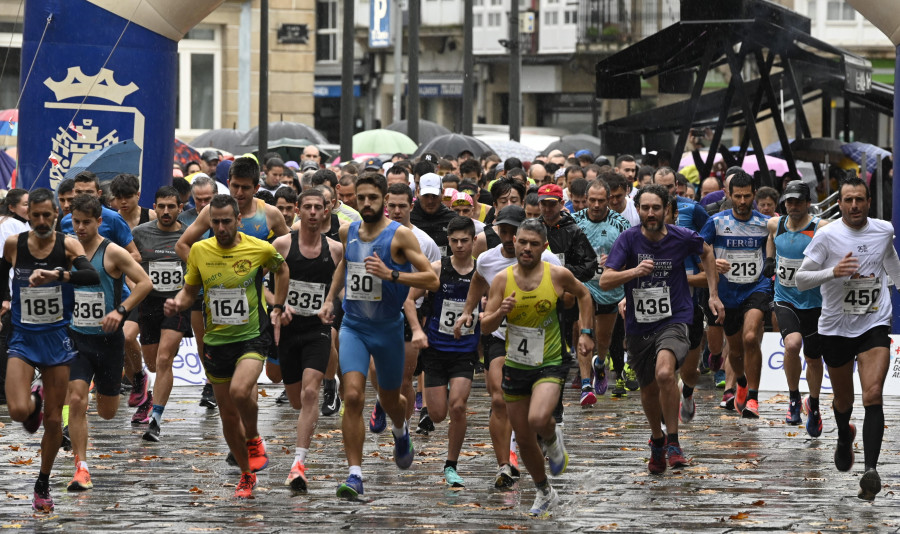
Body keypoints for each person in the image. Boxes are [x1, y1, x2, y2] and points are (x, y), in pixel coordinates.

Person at [317, 172, 439, 499]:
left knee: (390, 399)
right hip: (354, 326)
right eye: (361, 198)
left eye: (373, 198)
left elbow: (431, 280)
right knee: (353, 396)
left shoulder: (400, 237)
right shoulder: (348, 231)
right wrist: (331, 299)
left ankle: (400, 431)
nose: (367, 204)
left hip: (387, 329)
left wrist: (392, 274)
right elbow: (345, 265)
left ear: (385, 200)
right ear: (354, 199)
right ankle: (355, 474)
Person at [164, 194, 289, 499]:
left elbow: (282, 269)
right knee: (228, 416)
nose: (220, 227)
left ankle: (255, 437)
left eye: (226, 221)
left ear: (238, 221)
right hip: (216, 339)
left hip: (251, 335)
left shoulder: (260, 248)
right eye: (215, 222)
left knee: (239, 391)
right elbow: (190, 290)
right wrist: (177, 302)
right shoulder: (199, 251)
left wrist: (278, 305)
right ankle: (247, 474)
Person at [600, 185, 723, 473]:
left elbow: (707, 253)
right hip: (639, 324)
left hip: (675, 317)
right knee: (648, 387)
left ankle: (673, 442)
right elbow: (605, 281)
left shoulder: (682, 237)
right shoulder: (628, 240)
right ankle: (657, 439)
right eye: (645, 208)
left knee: (666, 372)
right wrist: (634, 272)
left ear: (667, 209)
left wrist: (714, 294)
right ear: (639, 210)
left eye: (656, 208)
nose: (651, 213)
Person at [480, 219, 594, 517]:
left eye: (534, 244)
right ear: (514, 242)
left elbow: (584, 295)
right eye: (523, 242)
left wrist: (586, 333)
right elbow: (485, 325)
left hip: (550, 361)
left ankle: (554, 439)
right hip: (517, 364)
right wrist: (500, 312)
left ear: (544, 247)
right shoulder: (502, 280)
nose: (527, 248)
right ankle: (544, 490)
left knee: (539, 417)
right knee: (525, 436)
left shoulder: (557, 275)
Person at [796, 176, 898, 501]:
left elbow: (891, 263)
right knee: (844, 400)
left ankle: (870, 470)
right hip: (836, 328)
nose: (854, 205)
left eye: (860, 200)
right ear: (839, 203)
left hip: (874, 323)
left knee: (873, 393)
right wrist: (833, 272)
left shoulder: (884, 230)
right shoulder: (826, 236)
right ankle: (843, 436)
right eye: (848, 200)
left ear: (869, 202)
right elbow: (800, 280)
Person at [1, 188, 100, 512]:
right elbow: (1, 273)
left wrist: (58, 274)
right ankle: (34, 401)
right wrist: (3, 300)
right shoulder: (14, 244)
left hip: (57, 340)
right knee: (17, 410)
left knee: (55, 422)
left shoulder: (67, 245)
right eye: (36, 215)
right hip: (24, 338)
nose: (42, 221)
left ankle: (42, 483)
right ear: (27, 217)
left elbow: (90, 275)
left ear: (57, 215)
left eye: (48, 215)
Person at [454, 205, 561, 489]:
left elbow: (566, 293)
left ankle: (539, 436)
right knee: (498, 398)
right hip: (500, 337)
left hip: (540, 343)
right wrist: (468, 311)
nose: (509, 235)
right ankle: (505, 464)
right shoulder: (487, 259)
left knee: (532, 413)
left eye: (514, 230)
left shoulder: (547, 259)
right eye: (503, 229)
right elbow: (477, 281)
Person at [65, 195, 152, 491]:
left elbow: (144, 283)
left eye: (86, 222)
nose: (79, 228)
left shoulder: (112, 252)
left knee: (107, 411)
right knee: (77, 399)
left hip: (108, 342)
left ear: (99, 221)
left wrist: (121, 310)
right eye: (75, 221)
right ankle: (81, 468)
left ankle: (140, 385)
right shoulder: (67, 250)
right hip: (76, 338)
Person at [272, 189, 342, 493]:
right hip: (288, 329)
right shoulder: (283, 244)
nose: (313, 212)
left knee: (311, 393)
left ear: (326, 211)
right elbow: (263, 283)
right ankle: (299, 456)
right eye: (308, 207)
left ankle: (298, 464)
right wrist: (278, 305)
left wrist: (330, 303)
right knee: (297, 399)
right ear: (298, 210)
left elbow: (340, 289)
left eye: (319, 207)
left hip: (318, 330)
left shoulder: (336, 250)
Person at [407, 216, 479, 488]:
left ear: (474, 240)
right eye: (454, 241)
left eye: (464, 240)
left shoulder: (481, 273)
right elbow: (409, 301)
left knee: (458, 406)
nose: (459, 246)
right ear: (447, 242)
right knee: (438, 414)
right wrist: (417, 330)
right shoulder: (437, 269)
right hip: (436, 350)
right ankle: (439, 394)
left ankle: (451, 465)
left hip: (465, 350)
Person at [699, 170, 772, 418]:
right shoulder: (717, 222)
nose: (742, 202)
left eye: (747, 196)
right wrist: (711, 265)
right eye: (737, 196)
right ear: (728, 195)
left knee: (751, 337)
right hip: (728, 292)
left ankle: (753, 397)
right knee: (736, 349)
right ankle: (740, 381)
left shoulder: (764, 223)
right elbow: (699, 250)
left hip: (756, 287)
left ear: (754, 195)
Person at [764, 181, 827, 434]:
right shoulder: (776, 224)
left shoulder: (820, 228)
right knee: (792, 344)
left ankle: (813, 403)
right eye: (789, 201)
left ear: (808, 203)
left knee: (813, 357)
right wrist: (769, 259)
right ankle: (793, 399)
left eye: (798, 201)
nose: (793, 206)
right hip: (785, 297)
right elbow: (771, 236)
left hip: (814, 302)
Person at [131, 186, 192, 442]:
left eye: (171, 207)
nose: (165, 211)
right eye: (161, 206)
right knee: (155, 363)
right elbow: (128, 265)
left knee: (166, 358)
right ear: (154, 208)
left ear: (180, 208)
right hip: (149, 303)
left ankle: (155, 419)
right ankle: (144, 382)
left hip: (177, 303)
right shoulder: (139, 234)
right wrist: (136, 288)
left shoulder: (190, 236)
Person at [572, 179, 630, 403]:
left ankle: (600, 363)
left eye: (601, 201)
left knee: (603, 339)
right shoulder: (573, 222)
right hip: (584, 286)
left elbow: (632, 257)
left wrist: (615, 264)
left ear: (609, 200)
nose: (596, 205)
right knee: (584, 331)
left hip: (609, 289)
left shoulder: (620, 224)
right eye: (592, 200)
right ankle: (586, 385)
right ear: (585, 199)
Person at [176, 156, 291, 260]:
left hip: (254, 283)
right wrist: (201, 271)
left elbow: (291, 247)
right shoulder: (212, 210)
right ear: (228, 183)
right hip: (216, 283)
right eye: (235, 186)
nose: (239, 192)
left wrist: (272, 269)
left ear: (256, 188)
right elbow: (182, 245)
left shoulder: (270, 213)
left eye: (245, 188)